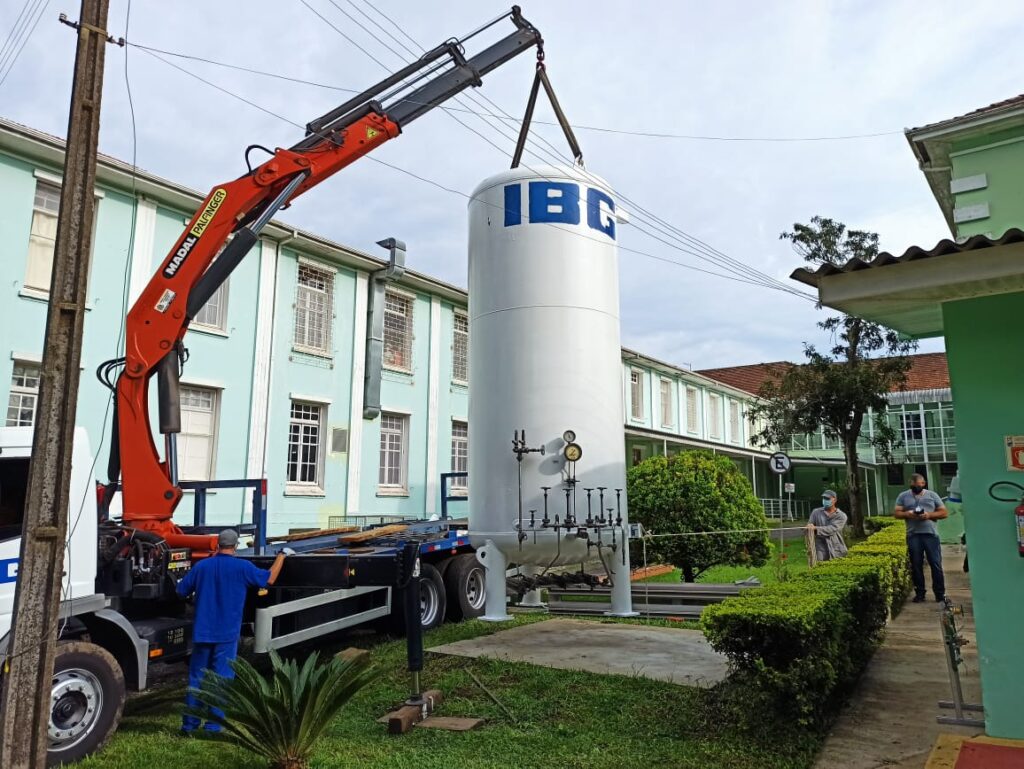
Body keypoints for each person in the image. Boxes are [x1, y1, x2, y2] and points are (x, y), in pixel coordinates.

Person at [176, 529, 287, 734]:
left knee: (197, 678)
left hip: (202, 632)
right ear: (235, 546)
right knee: (221, 678)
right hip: (226, 634)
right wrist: (282, 555)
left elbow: (181, 590)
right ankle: (213, 727)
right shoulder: (242, 567)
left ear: (217, 545)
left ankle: (188, 726)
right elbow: (269, 579)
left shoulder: (202, 566)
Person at [894, 473, 948, 603]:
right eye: (913, 485)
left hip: (930, 535)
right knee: (916, 565)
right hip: (913, 535)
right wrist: (908, 514)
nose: (915, 487)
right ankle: (920, 593)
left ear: (923, 484)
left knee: (936, 564)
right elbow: (896, 513)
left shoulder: (932, 495)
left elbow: (944, 512)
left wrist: (929, 515)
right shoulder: (903, 496)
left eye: (918, 485)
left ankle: (940, 594)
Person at [807, 489, 848, 562]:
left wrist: (815, 528)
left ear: (835, 500)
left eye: (827, 499)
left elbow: (832, 529)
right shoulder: (816, 512)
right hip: (820, 546)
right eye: (824, 498)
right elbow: (809, 526)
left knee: (837, 567)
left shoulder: (841, 516)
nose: (825, 500)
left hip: (836, 546)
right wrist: (809, 526)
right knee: (819, 566)